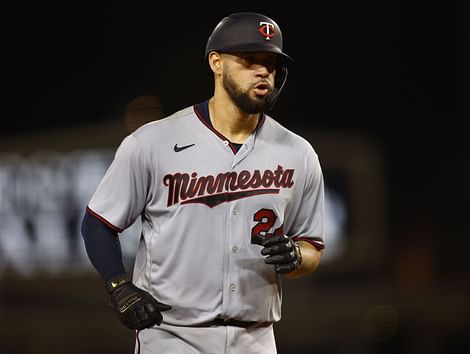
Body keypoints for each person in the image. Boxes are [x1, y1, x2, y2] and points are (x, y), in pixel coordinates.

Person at [81, 11, 325, 354]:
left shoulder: (298, 153)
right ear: (216, 62)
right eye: (248, 59)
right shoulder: (153, 142)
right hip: (172, 336)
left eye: (270, 63)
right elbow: (97, 222)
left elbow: (311, 246)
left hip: (256, 338)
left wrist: (296, 257)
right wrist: (118, 285)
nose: (263, 71)